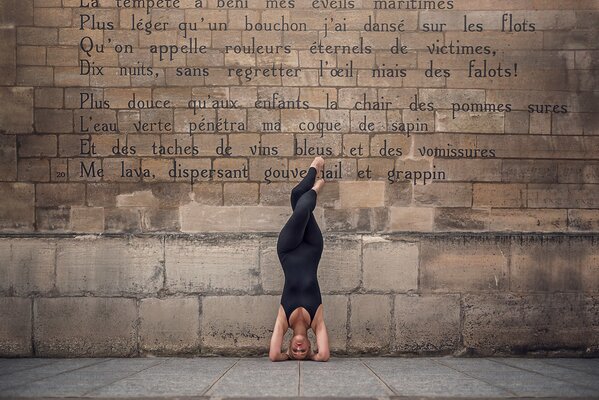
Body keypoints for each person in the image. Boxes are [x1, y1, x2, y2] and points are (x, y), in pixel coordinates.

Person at [268, 156, 330, 362]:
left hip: (288, 250)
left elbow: (273, 356)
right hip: (312, 249)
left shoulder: (283, 321)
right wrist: (313, 357)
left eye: (295, 351)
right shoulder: (317, 320)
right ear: (310, 346)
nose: (299, 349)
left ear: (290, 345)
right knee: (298, 201)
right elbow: (324, 356)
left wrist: (285, 356)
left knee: (299, 201)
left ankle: (316, 180)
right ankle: (315, 181)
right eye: (303, 351)